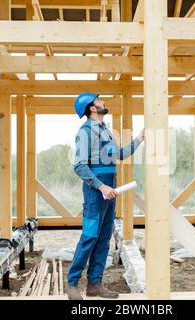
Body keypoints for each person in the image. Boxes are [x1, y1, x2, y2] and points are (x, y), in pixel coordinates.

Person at [66, 92, 144, 300]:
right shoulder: (85, 132)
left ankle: (94, 285)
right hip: (96, 193)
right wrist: (101, 187)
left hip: (111, 192)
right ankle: (72, 283)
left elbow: (119, 155)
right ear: (92, 108)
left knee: (103, 238)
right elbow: (79, 166)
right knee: (90, 236)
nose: (103, 102)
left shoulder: (105, 131)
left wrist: (139, 139)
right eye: (99, 100)